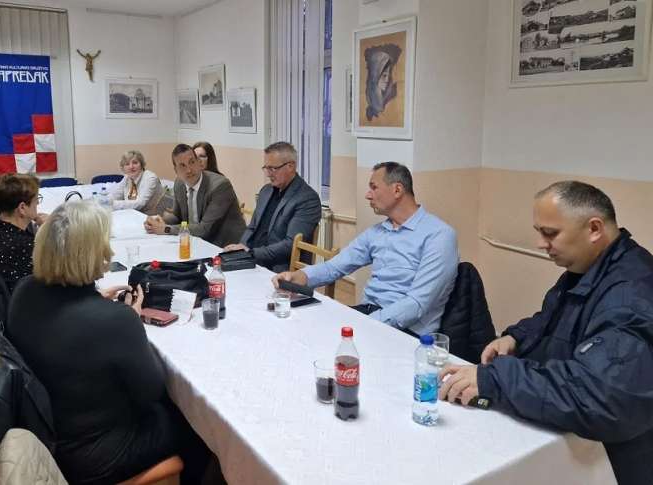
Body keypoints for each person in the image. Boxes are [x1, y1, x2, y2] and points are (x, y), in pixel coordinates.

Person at [439, 181, 653, 485]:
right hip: (562, 429)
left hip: (609, 461)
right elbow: (551, 319)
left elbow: (601, 399)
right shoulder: (589, 267)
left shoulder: (630, 294)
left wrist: (497, 379)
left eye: (550, 233)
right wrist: (516, 337)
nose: (541, 243)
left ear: (594, 229)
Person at [7, 201, 210, 485]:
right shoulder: (115, 321)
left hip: (45, 431)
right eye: (104, 245)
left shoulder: (24, 290)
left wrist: (97, 302)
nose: (110, 253)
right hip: (95, 454)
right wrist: (128, 320)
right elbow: (151, 392)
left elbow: (68, 323)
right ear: (92, 254)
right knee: (198, 427)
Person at [272, 162, 459, 335]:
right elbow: (334, 266)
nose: (368, 195)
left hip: (407, 332)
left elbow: (417, 304)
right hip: (370, 315)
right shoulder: (378, 232)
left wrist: (365, 324)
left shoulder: (439, 235)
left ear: (397, 190)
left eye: (374, 187)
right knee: (299, 328)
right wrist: (300, 277)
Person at [224, 141, 321, 272]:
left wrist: (251, 253)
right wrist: (241, 248)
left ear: (290, 166)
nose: (268, 174)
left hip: (279, 268)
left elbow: (290, 245)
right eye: (266, 168)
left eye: (273, 169)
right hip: (252, 259)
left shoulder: (307, 199)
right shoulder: (266, 191)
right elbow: (252, 227)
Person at [144, 144, 245, 248]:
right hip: (196, 242)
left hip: (225, 246)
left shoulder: (220, 186)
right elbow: (177, 217)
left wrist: (166, 229)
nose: (189, 170)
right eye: (182, 166)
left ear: (199, 163)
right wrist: (159, 221)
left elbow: (204, 229)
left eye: (192, 162)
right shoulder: (179, 183)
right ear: (176, 171)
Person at [0, 174, 41, 292]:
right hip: (17, 302)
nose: (37, 204)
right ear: (22, 208)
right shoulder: (25, 245)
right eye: (36, 200)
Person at [111, 150, 167, 215]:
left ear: (141, 165)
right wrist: (105, 201)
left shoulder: (150, 178)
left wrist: (112, 204)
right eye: (127, 164)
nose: (131, 167)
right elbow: (115, 195)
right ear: (123, 168)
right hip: (133, 214)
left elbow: (140, 203)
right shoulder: (127, 178)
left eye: (135, 163)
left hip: (152, 216)